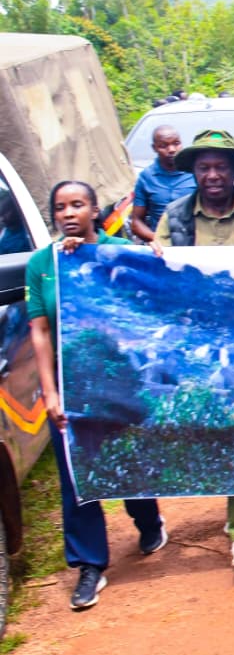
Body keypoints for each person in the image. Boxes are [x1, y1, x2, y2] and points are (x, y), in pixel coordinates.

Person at [28, 180, 168, 610]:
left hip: (118, 379)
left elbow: (144, 302)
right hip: (72, 386)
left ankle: (147, 521)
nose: (69, 212)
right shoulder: (44, 264)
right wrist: (50, 393)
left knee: (128, 459)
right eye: (61, 206)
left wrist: (158, 253)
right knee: (77, 475)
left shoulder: (118, 252)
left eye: (78, 204)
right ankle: (90, 564)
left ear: (94, 210)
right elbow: (40, 331)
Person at [154, 131, 234, 567]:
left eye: (221, 166)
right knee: (199, 428)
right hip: (194, 341)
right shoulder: (173, 217)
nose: (212, 175)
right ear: (193, 172)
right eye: (203, 167)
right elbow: (155, 270)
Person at [129, 124, 196, 243]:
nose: (172, 150)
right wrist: (158, 239)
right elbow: (136, 222)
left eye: (176, 143)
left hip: (194, 243)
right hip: (161, 247)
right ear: (154, 148)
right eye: (164, 145)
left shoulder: (194, 173)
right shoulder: (146, 177)